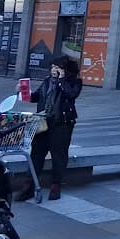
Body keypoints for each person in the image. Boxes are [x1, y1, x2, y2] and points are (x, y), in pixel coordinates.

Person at [29, 55, 82, 200]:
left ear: (65, 70)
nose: (54, 70)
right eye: (52, 67)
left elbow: (71, 94)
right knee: (36, 154)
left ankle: (56, 185)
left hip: (62, 123)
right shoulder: (47, 81)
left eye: (57, 67)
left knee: (58, 155)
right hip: (44, 123)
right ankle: (30, 184)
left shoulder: (74, 82)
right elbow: (35, 97)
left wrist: (61, 80)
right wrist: (24, 92)